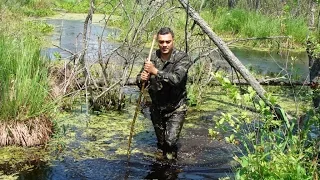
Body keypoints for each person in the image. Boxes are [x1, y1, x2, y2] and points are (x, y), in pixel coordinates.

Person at [136, 27, 192, 160]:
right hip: (157, 108)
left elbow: (176, 79)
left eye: (167, 41)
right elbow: (140, 81)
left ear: (173, 41)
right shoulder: (152, 57)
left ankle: (173, 167)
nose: (164, 45)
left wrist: (155, 71)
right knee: (161, 144)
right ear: (158, 42)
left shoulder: (182, 58)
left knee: (170, 142)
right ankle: (161, 168)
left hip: (176, 107)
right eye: (161, 42)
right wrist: (141, 78)